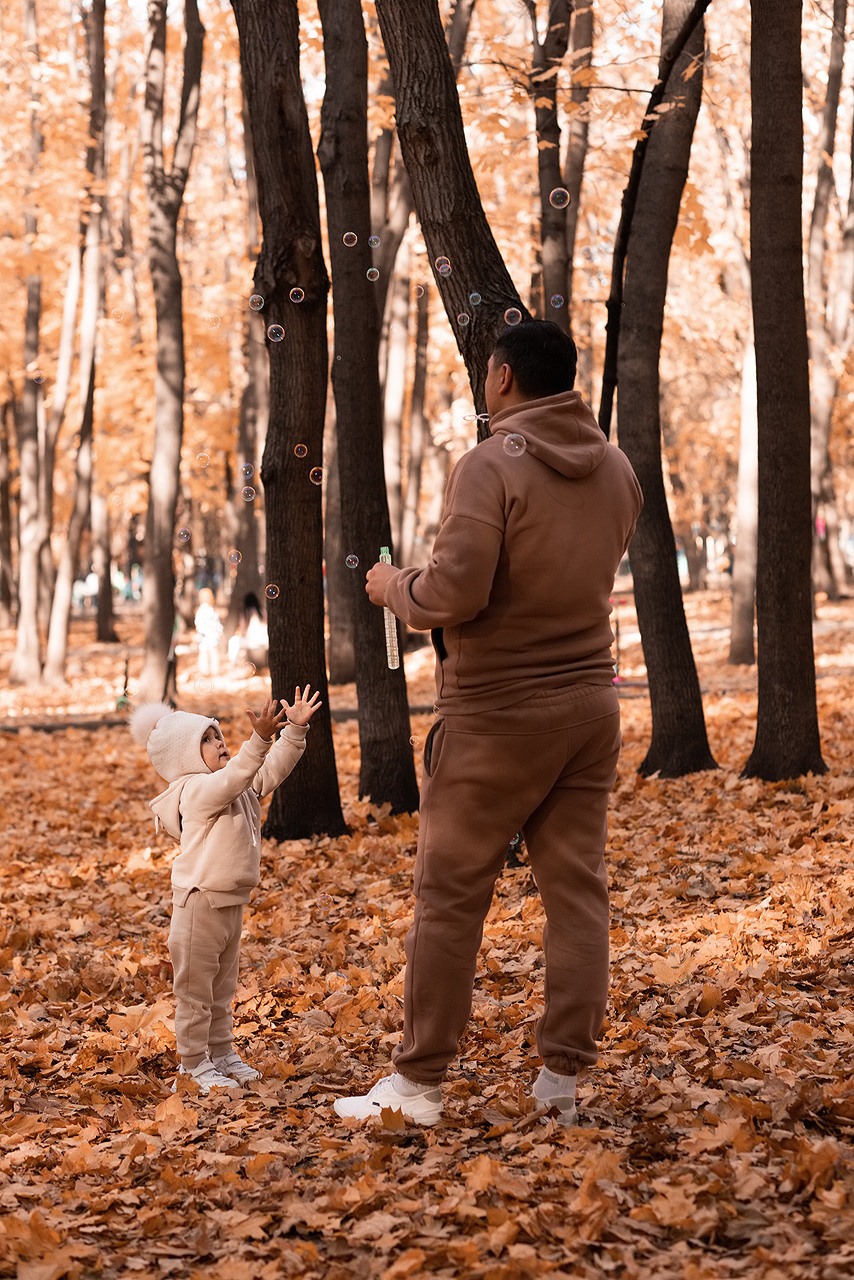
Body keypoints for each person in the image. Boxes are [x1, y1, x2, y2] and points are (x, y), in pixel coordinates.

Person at [333, 320, 643, 1127]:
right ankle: (561, 1085)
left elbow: (454, 593)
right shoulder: (618, 468)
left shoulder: (488, 464)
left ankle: (418, 1085)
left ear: (502, 377)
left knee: (449, 898)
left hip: (495, 716)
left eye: (486, 373)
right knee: (577, 893)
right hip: (590, 707)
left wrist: (393, 586)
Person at [130, 689, 321, 1093]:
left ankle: (220, 1052)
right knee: (195, 992)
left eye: (217, 735)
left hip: (229, 904)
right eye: (206, 739)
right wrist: (259, 739)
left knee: (221, 990)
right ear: (184, 757)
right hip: (199, 903)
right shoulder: (195, 792)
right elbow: (237, 777)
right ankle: (192, 1064)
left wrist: (294, 732)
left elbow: (266, 772)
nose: (219, 742)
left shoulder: (234, 784)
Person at [228, 592, 269, 672]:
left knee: (232, 641)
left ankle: (234, 664)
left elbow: (243, 631)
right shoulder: (263, 611)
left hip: (251, 641)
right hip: (265, 641)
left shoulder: (246, 613)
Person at [194, 587, 223, 676]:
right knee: (214, 655)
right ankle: (214, 671)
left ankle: (204, 671)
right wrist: (219, 632)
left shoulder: (199, 610)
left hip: (204, 637)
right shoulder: (211, 610)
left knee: (203, 654)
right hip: (212, 636)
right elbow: (216, 624)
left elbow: (198, 624)